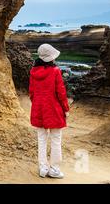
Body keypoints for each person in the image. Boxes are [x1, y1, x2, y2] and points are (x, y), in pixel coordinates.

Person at [29, 43, 70, 178]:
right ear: (51, 57)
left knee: (41, 139)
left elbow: (32, 93)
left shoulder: (33, 72)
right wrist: (66, 109)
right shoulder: (55, 71)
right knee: (56, 139)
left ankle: (43, 168)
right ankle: (54, 169)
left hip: (38, 108)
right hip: (53, 109)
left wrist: (37, 104)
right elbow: (61, 93)